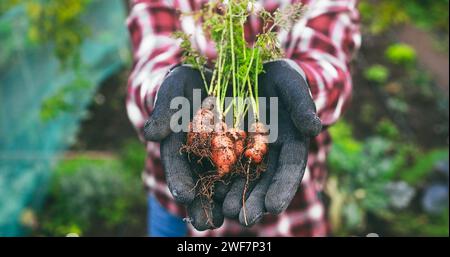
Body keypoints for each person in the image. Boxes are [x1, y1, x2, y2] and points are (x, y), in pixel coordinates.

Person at [126, 0, 361, 236]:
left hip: (291, 207)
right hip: (177, 201)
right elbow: (151, 58)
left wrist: (300, 87)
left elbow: (329, 64)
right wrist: (165, 90)